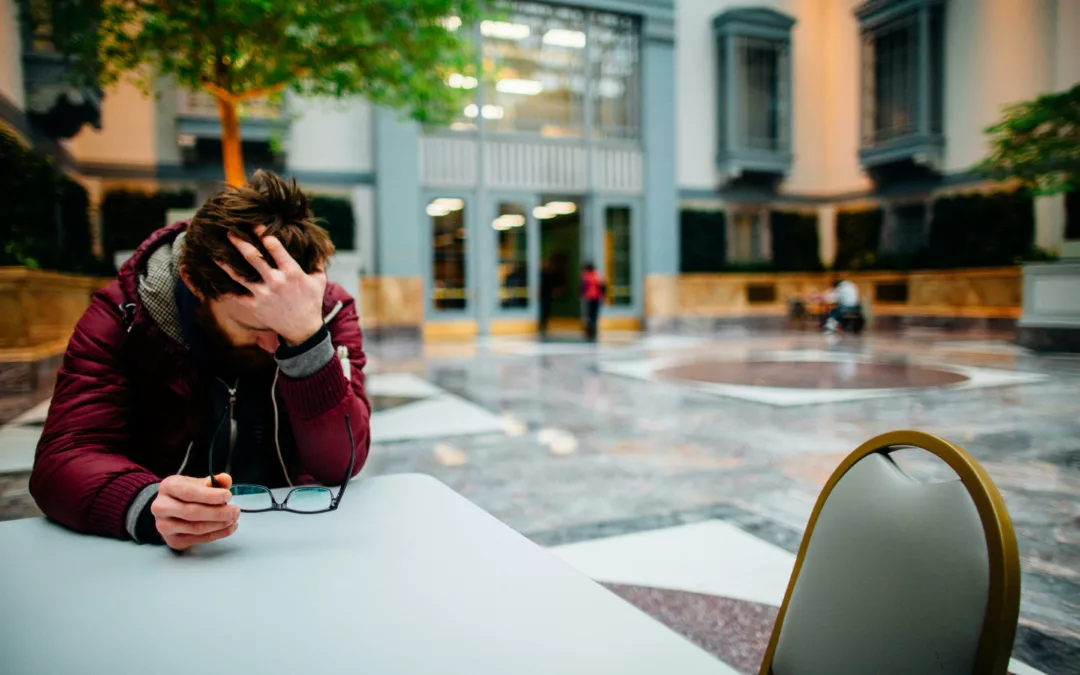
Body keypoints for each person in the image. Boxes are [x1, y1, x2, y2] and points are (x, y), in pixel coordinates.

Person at [30, 171, 371, 550]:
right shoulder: (125, 315)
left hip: (292, 538)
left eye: (287, 326)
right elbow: (64, 458)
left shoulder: (327, 311)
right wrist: (145, 504)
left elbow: (339, 464)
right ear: (193, 282)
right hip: (164, 559)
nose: (275, 345)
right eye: (253, 324)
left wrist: (307, 341)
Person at [579, 262, 607, 342]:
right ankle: (593, 330)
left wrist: (582, 295)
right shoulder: (598, 276)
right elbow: (603, 287)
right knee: (594, 315)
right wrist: (603, 296)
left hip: (588, 298)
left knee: (588, 315)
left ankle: (589, 331)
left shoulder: (586, 276)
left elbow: (582, 287)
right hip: (596, 298)